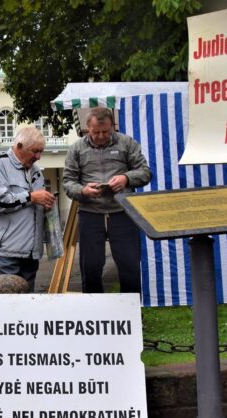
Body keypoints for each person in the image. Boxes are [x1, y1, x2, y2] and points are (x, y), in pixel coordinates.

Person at [63, 106, 152, 293]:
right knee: (91, 268)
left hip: (123, 213)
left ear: (112, 126)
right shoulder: (76, 149)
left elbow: (145, 172)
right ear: (88, 127)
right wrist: (83, 190)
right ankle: (95, 314)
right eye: (96, 132)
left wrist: (126, 178)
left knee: (130, 266)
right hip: (90, 214)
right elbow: (68, 182)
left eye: (106, 131)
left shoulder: (126, 143)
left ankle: (131, 315)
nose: (102, 136)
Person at [0, 127, 55, 292]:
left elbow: (35, 201)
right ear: (19, 146)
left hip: (31, 253)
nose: (38, 157)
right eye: (35, 151)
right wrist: (31, 197)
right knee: (4, 305)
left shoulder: (36, 171)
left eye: (41, 152)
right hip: (5, 253)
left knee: (27, 305)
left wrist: (46, 203)